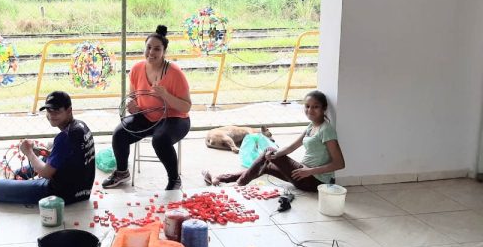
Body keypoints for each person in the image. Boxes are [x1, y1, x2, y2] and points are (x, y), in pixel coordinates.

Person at [102, 25, 192, 190]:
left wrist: (165, 95)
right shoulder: (137, 69)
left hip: (175, 119)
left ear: (164, 51)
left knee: (160, 139)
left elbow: (186, 106)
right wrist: (133, 106)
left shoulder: (174, 72)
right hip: (146, 116)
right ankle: (122, 173)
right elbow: (133, 96)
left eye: (157, 49)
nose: (151, 52)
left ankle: (174, 179)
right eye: (149, 48)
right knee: (119, 133)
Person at [202, 90, 345, 192]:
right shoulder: (311, 126)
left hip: (315, 181)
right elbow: (291, 148)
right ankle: (221, 178)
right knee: (267, 164)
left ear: (324, 109)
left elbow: (339, 163)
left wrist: (309, 171)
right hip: (302, 174)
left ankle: (239, 184)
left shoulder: (326, 130)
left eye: (315, 107)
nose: (310, 110)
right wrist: (274, 156)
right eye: (307, 106)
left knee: (269, 151)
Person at [0, 91, 96, 205]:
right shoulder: (80, 125)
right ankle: (16, 176)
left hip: (61, 193)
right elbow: (71, 157)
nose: (51, 115)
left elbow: (46, 173)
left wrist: (29, 152)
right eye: (49, 110)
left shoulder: (65, 137)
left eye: (57, 111)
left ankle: (13, 180)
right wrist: (42, 152)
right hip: (83, 190)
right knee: (42, 158)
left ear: (69, 110)